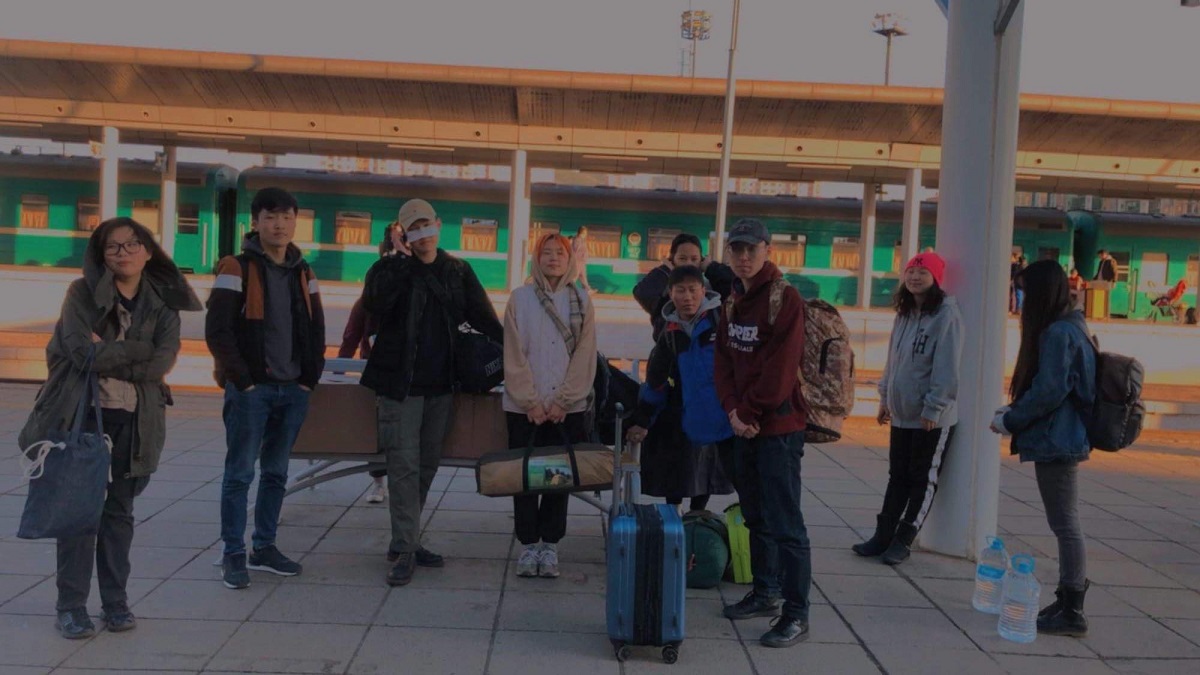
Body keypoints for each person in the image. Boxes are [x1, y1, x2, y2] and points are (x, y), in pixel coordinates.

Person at [20, 217, 200, 638]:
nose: (123, 253)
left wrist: (114, 352)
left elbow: (162, 362)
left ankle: (115, 603)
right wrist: (138, 350)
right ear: (101, 255)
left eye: (132, 244)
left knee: (119, 514)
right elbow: (80, 352)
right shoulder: (81, 294)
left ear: (149, 251)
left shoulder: (162, 303)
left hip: (136, 420)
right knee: (79, 515)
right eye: (113, 246)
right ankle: (71, 607)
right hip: (83, 416)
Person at [361, 199, 503, 586]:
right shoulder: (387, 269)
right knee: (403, 466)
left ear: (438, 225)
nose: (422, 233)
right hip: (399, 386)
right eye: (413, 228)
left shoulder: (458, 270)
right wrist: (400, 261)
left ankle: (404, 540)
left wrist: (517, 356)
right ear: (403, 234)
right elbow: (374, 305)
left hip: (443, 386)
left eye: (426, 224)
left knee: (425, 466)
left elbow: (485, 319)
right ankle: (407, 549)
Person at [206, 187, 326, 590]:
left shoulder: (304, 271)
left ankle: (264, 547)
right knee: (239, 474)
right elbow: (218, 330)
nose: (279, 225)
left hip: (293, 390)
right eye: (271, 217)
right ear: (255, 222)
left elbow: (316, 327)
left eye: (287, 217)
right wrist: (243, 380)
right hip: (252, 391)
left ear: (295, 222)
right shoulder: (236, 267)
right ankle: (232, 552)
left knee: (276, 472)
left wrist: (309, 378)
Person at [713, 218, 812, 649]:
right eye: (737, 249)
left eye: (751, 249)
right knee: (754, 515)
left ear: (768, 250)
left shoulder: (784, 298)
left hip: (778, 430)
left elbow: (780, 369)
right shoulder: (732, 298)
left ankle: (796, 614)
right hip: (743, 425)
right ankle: (765, 590)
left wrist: (748, 411)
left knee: (786, 522)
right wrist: (732, 411)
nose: (744, 257)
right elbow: (723, 362)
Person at [991, 260, 1096, 638]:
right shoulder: (1073, 326)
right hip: (1063, 435)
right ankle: (1067, 599)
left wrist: (1011, 420)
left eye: (1024, 292)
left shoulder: (1057, 333)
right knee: (1064, 522)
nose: (1021, 300)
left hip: (1058, 439)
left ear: (1041, 293)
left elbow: (1049, 391)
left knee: (1065, 524)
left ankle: (1073, 609)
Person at [853, 252, 962, 566]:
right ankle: (882, 536)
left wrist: (934, 408)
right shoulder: (904, 313)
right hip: (901, 413)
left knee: (922, 479)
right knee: (897, 476)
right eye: (911, 271)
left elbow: (947, 367)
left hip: (930, 418)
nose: (915, 277)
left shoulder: (946, 315)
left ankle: (904, 540)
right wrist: (884, 398)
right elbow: (893, 360)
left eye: (922, 273)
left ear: (936, 278)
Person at [502, 233, 597, 578]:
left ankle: (550, 545)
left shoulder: (582, 300)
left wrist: (563, 401)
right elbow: (513, 354)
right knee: (525, 477)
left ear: (570, 259)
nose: (553, 258)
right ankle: (529, 545)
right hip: (523, 408)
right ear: (536, 258)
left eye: (560, 253)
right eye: (547, 253)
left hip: (565, 409)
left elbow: (585, 355)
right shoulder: (520, 298)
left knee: (558, 478)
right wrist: (529, 401)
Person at [626, 264, 734, 515]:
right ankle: (676, 520)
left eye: (693, 290)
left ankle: (698, 519)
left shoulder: (721, 321)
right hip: (686, 411)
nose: (688, 297)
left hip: (722, 415)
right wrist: (643, 420)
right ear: (671, 294)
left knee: (712, 473)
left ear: (703, 291)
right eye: (681, 291)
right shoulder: (670, 332)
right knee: (677, 469)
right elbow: (656, 380)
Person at [339, 222, 411, 504]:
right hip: (392, 379)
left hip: (381, 378)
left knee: (378, 429)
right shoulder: (374, 302)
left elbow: (349, 338)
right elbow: (350, 338)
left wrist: (337, 372)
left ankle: (380, 484)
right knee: (390, 430)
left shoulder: (367, 302)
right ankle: (385, 483)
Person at [632, 232, 734, 341]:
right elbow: (643, 293)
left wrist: (711, 267)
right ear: (672, 260)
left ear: (701, 261)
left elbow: (737, 286)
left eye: (694, 259)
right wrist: (665, 270)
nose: (689, 263)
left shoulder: (712, 289)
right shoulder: (664, 289)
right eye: (682, 259)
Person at [572, 226, 592, 292]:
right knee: (574, 276)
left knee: (583, 276)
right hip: (578, 261)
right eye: (585, 233)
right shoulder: (577, 240)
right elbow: (576, 250)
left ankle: (587, 289)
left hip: (582, 261)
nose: (586, 234)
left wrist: (586, 255)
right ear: (582, 233)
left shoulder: (582, 240)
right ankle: (568, 289)